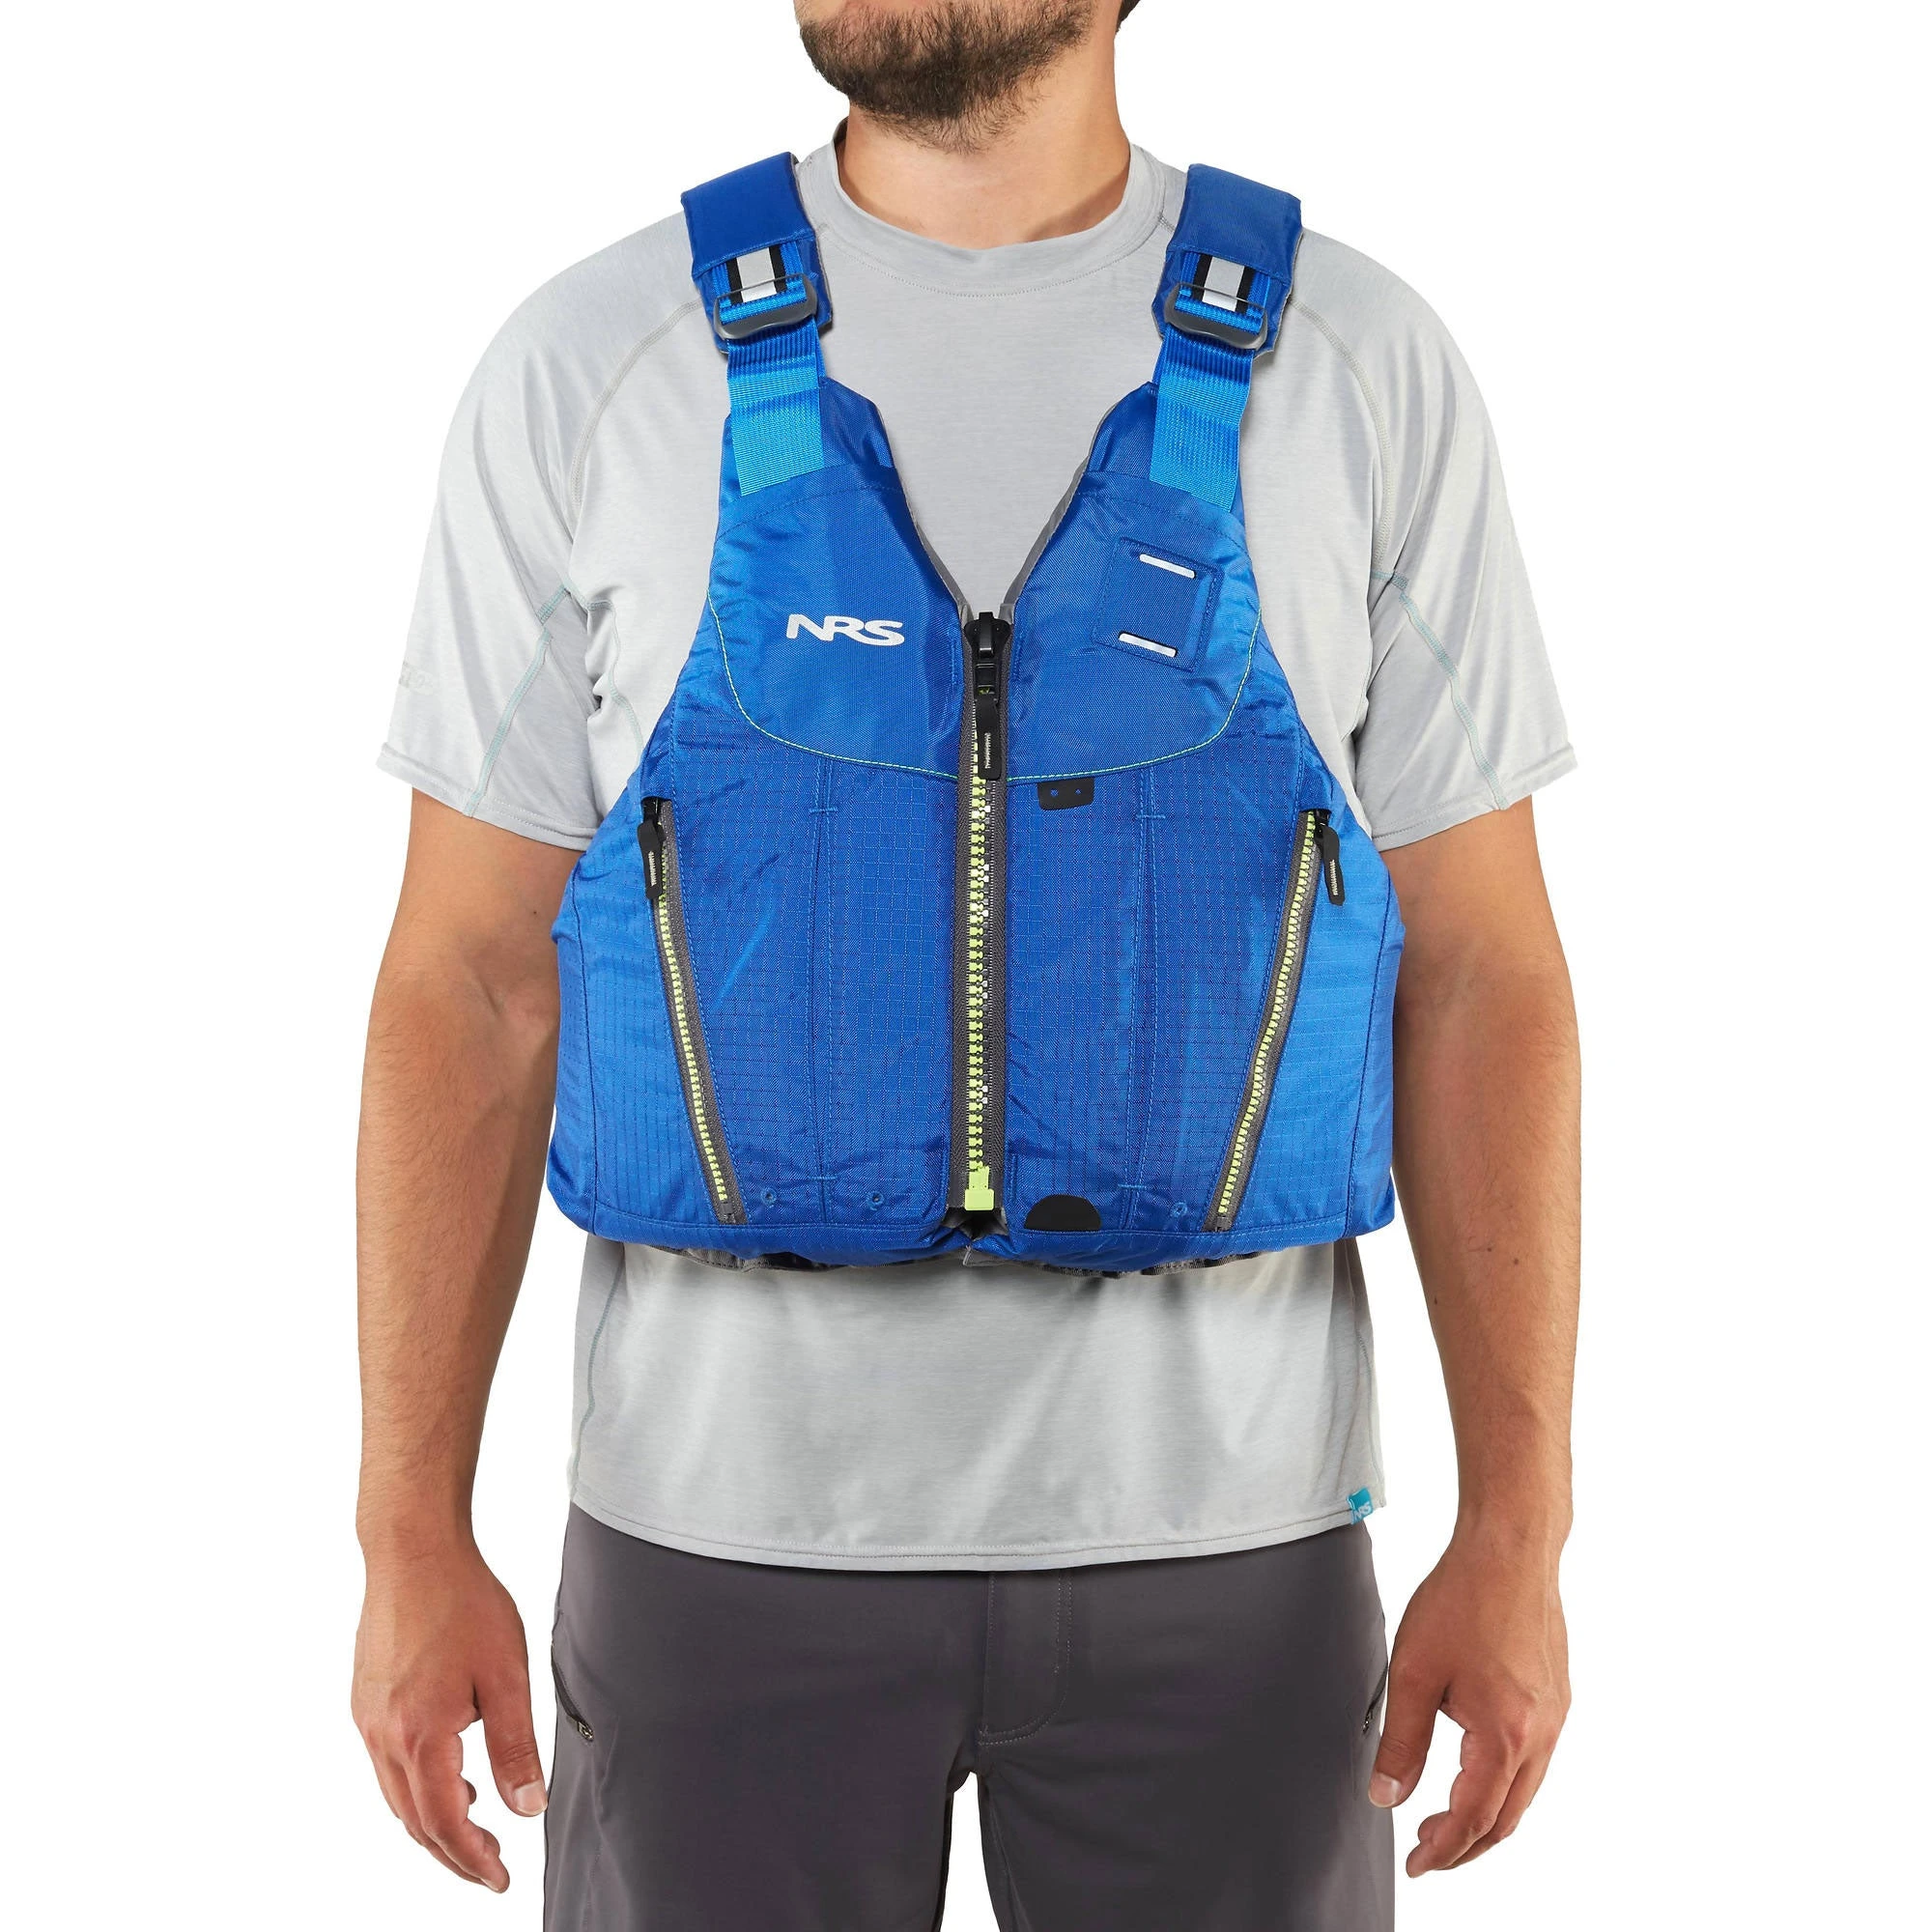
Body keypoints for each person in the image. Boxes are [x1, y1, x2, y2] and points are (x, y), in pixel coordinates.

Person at [352, 2, 1580, 1924]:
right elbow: (470, 981)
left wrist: (1519, 1528)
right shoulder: (594, 364)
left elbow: (1484, 977)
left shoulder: (1356, 367)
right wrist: (405, 1532)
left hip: (1233, 1560)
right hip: (712, 1552)